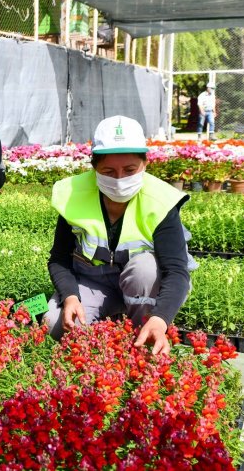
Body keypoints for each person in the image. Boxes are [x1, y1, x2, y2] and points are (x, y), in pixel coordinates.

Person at [43, 116, 196, 355]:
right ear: (94, 168)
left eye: (129, 170)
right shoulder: (73, 196)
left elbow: (177, 271)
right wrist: (71, 297)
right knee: (54, 325)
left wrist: (161, 318)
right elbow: (59, 259)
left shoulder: (160, 202)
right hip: (92, 283)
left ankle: (140, 331)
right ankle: (108, 324)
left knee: (146, 268)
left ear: (145, 164)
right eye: (108, 171)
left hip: (141, 288)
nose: (119, 180)